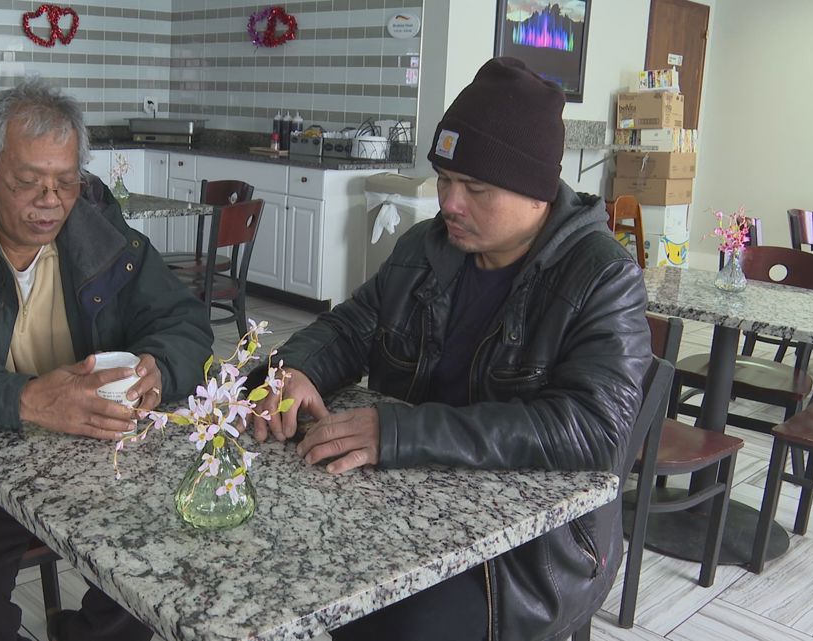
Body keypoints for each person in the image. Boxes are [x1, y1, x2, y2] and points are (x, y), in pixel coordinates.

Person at [251, 57, 652, 641]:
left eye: (476, 188)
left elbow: (593, 428)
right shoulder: (427, 248)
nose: (450, 204)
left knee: (386, 624)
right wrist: (295, 371)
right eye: (444, 179)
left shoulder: (600, 275)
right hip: (408, 509)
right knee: (279, 568)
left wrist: (400, 433)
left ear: (537, 192)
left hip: (532, 553)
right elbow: (350, 327)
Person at [0, 79, 213, 641]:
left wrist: (159, 369)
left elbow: (184, 321)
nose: (51, 201)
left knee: (162, 558)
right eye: (28, 183)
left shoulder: (97, 233)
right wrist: (21, 399)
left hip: (99, 457)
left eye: (66, 182)